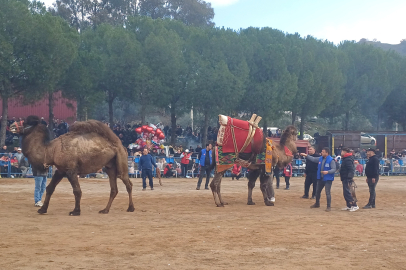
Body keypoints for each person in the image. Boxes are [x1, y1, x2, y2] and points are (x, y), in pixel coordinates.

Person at [301, 147, 336, 212]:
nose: (321, 153)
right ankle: (317, 204)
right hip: (321, 178)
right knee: (317, 191)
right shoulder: (320, 159)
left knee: (327, 192)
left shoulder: (331, 160)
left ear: (327, 153)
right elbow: (313, 159)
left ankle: (328, 206)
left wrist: (328, 172)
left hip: (328, 179)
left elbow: (334, 169)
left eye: (323, 152)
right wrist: (306, 155)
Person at [340, 147, 359, 212]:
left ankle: (354, 205)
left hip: (347, 178)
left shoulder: (347, 159)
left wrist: (349, 178)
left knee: (349, 192)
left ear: (345, 152)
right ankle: (349, 205)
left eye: (342, 151)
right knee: (346, 192)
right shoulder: (346, 159)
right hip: (345, 178)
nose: (341, 153)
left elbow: (351, 169)